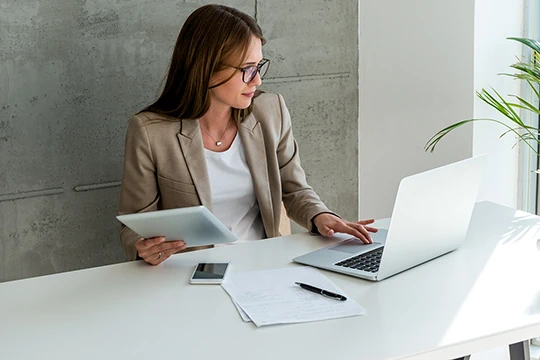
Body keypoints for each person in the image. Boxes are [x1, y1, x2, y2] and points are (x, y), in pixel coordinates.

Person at [118, 4, 377, 265]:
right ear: (207, 69)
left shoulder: (270, 111)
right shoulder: (151, 133)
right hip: (193, 275)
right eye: (247, 69)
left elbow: (295, 189)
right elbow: (134, 225)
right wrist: (143, 248)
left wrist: (320, 216)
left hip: (267, 264)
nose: (257, 80)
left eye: (258, 66)